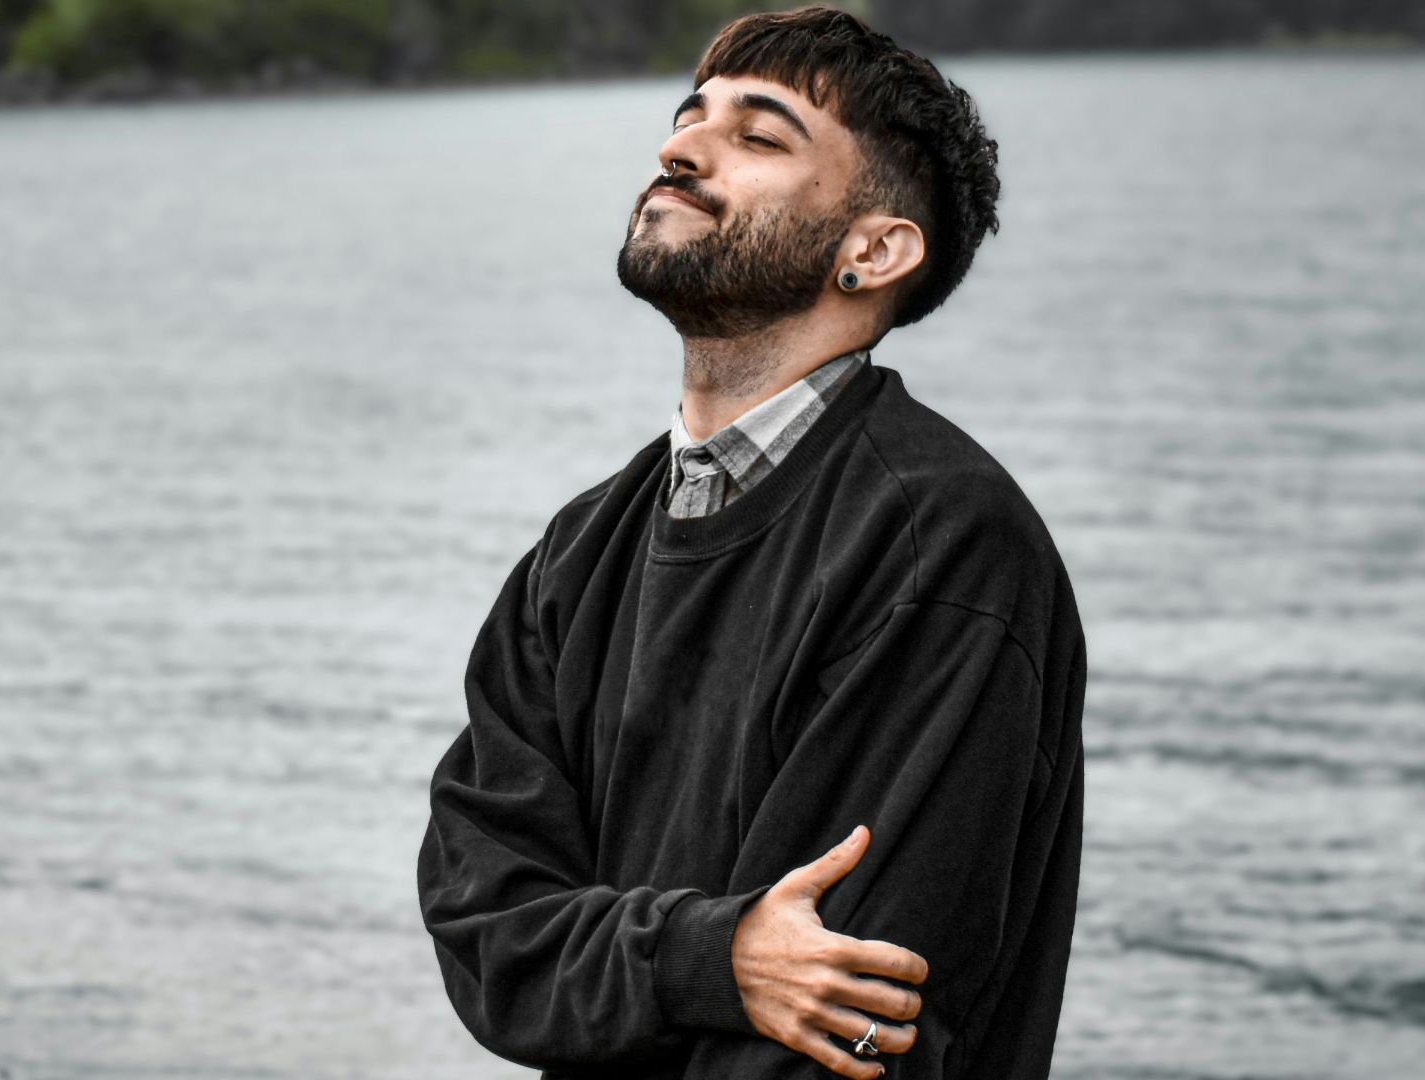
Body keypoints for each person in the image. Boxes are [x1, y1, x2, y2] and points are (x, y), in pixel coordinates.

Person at [417, 6, 1085, 1079]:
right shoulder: (576, 557)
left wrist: (628, 960)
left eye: (759, 135)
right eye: (689, 118)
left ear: (874, 248)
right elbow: (487, 932)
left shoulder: (941, 548)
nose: (679, 149)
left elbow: (852, 1020)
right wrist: (712, 956)